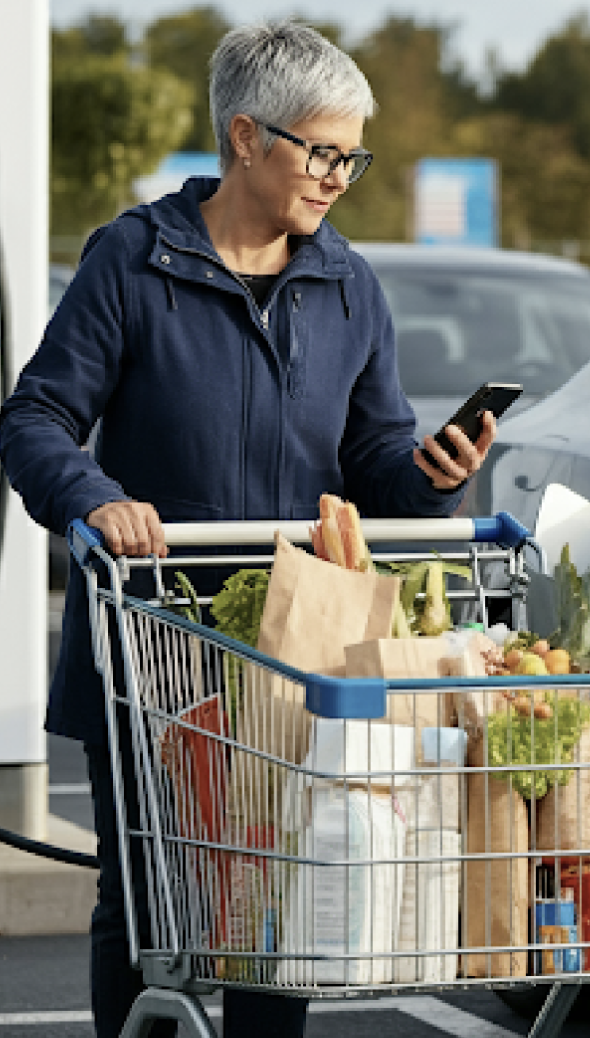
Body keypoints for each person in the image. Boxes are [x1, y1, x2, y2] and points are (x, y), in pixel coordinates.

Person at [0, 20, 495, 1038]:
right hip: (154, 643)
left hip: (293, 652)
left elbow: (374, 469)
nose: (339, 177)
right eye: (322, 151)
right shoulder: (132, 263)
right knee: (145, 909)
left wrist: (432, 482)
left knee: (282, 904)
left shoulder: (350, 284)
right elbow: (35, 418)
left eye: (352, 156)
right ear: (243, 136)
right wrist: (94, 497)